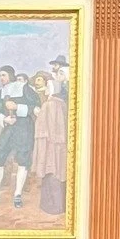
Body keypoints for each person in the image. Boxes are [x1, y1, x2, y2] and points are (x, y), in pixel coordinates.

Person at [0, 72, 39, 209]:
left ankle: (17, 195)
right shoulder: (1, 92)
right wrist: (4, 119)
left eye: (4, 75)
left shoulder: (24, 88)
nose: (1, 78)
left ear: (11, 76)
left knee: (23, 161)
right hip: (8, 129)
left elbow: (36, 107)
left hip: (24, 129)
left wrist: (17, 108)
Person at [29, 72, 68, 217]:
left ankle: (53, 206)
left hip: (51, 144)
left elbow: (49, 127)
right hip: (55, 144)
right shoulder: (59, 103)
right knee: (54, 173)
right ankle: (52, 205)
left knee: (52, 173)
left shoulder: (51, 104)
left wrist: (38, 114)